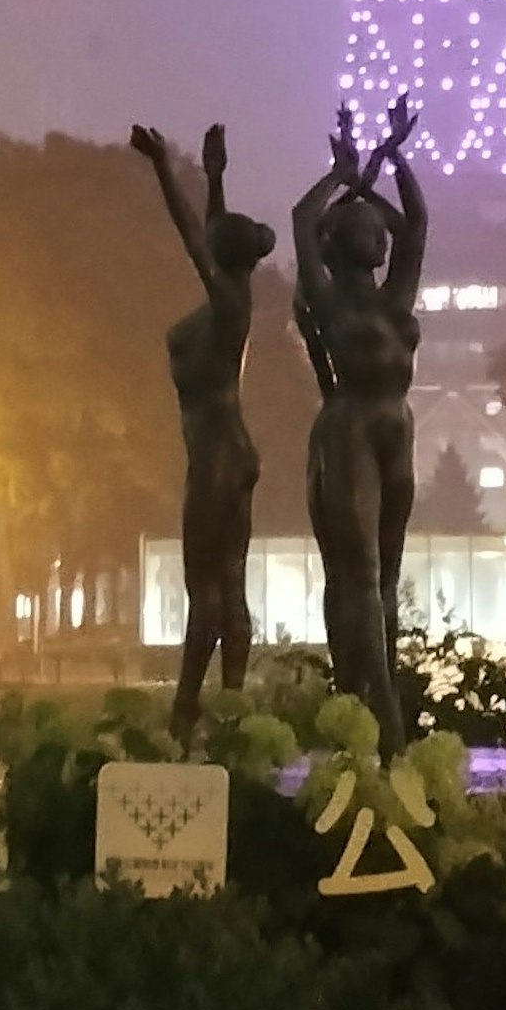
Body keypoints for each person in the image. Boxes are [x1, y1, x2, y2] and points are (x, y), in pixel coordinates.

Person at [128, 119, 280, 749]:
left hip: (217, 454)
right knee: (229, 583)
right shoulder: (232, 298)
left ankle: (187, 714)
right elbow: (211, 239)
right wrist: (216, 176)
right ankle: (230, 711)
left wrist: (164, 165)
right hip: (232, 451)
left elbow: (194, 236)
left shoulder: (226, 302)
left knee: (207, 592)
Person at [293, 97, 426, 751]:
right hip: (349, 432)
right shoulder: (327, 297)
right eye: (366, 228)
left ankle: (366, 702)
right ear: (340, 242)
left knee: (385, 577)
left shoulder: (394, 295)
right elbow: (301, 218)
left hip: (397, 430)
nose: (380, 235)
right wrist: (345, 175)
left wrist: (389, 160)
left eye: (380, 228)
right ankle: (383, 721)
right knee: (360, 571)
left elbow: (417, 225)